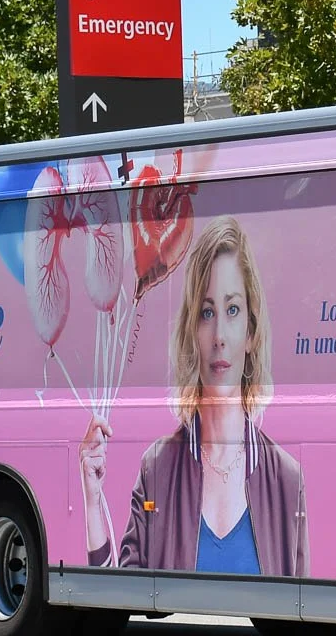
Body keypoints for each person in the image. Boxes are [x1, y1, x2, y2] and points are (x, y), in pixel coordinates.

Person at [80, 215, 308, 575]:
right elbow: (121, 593)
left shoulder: (286, 480)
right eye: (207, 312)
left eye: (232, 310)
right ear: (192, 331)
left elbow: (299, 603)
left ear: (250, 332)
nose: (219, 336)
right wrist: (93, 504)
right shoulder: (158, 468)